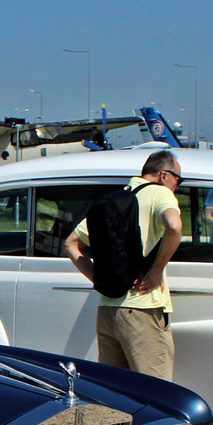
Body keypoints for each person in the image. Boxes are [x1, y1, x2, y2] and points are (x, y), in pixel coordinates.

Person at [61, 150, 183, 380]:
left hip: (108, 311)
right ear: (164, 175)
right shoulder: (160, 193)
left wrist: (101, 278)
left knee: (116, 392)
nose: (178, 186)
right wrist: (156, 270)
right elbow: (174, 227)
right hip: (142, 309)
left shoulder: (116, 199)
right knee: (156, 393)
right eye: (179, 179)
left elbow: (70, 245)